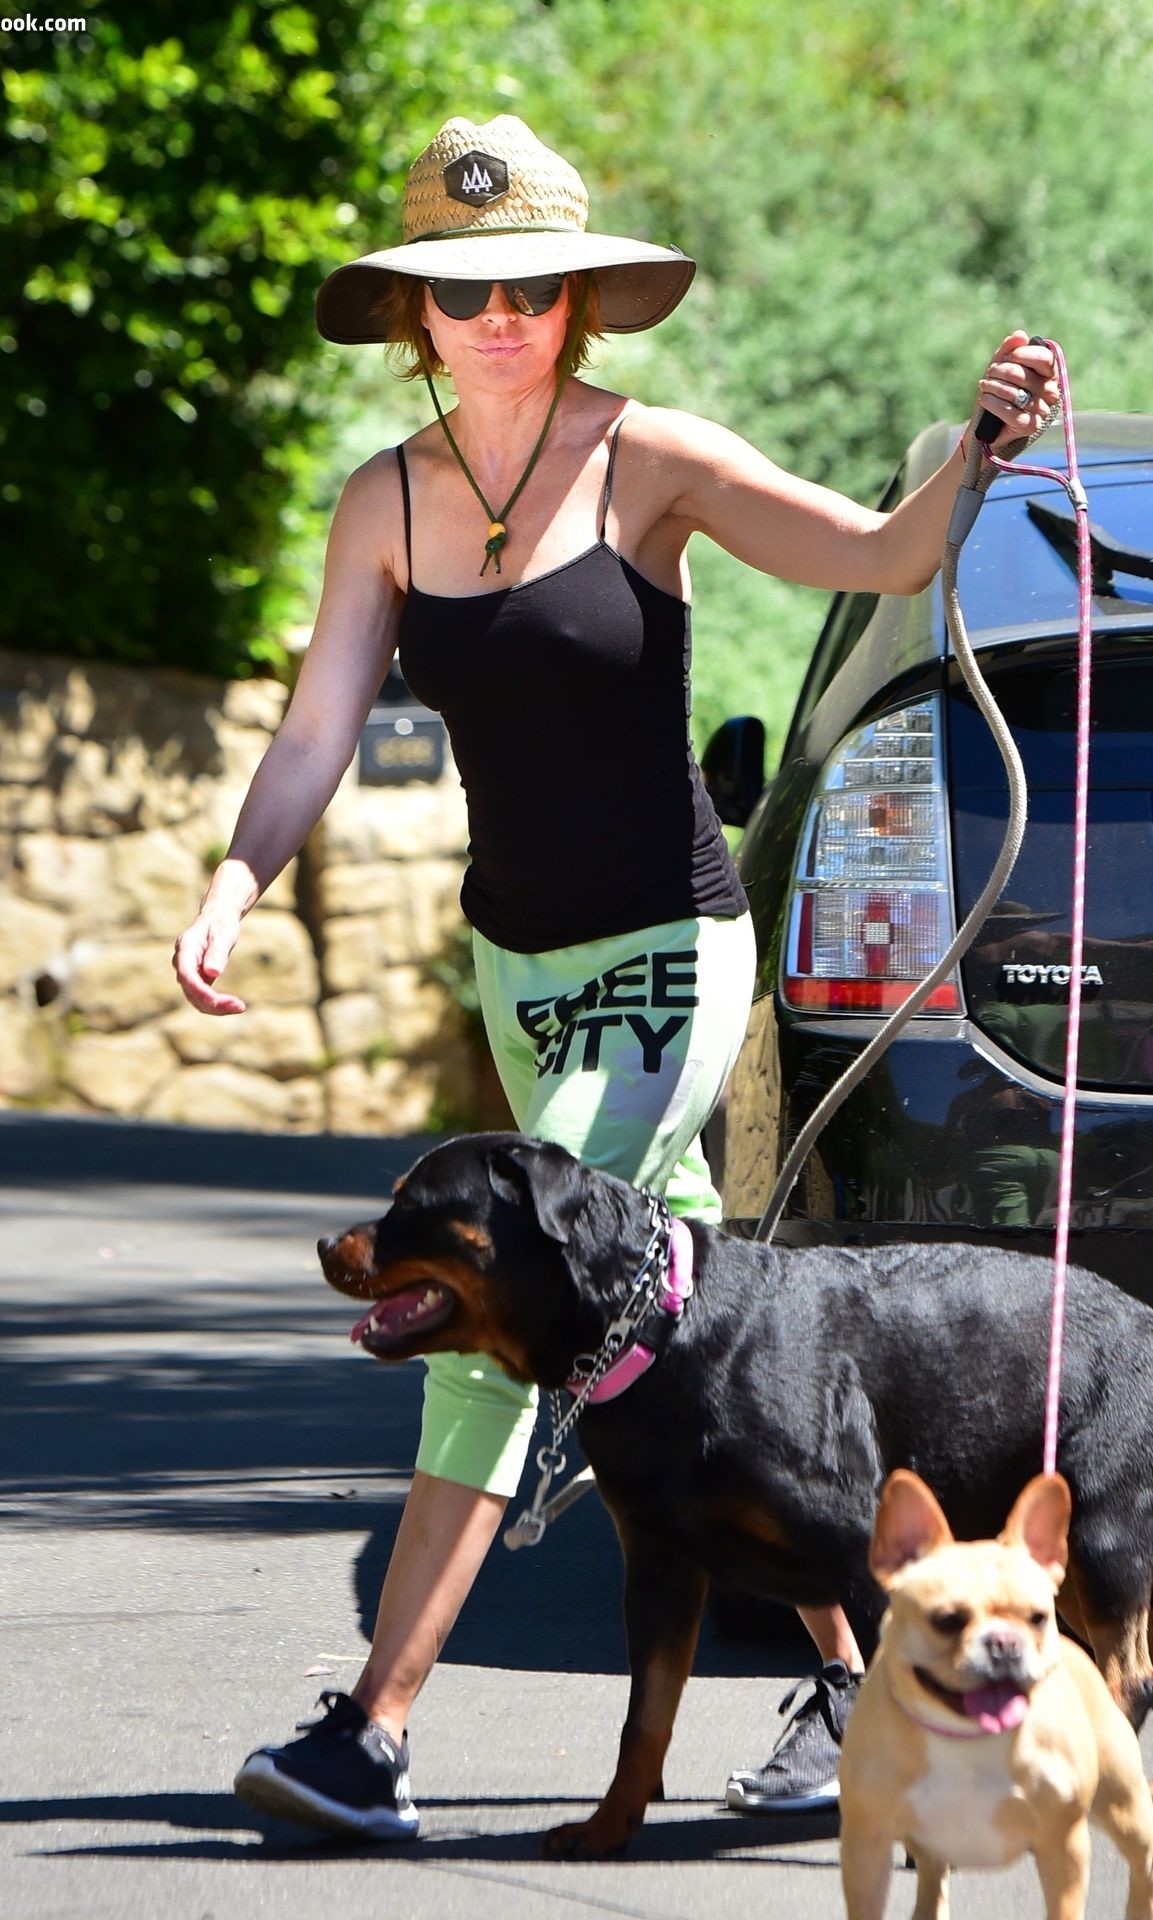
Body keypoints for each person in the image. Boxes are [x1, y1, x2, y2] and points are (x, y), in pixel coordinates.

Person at [171, 114, 1059, 1832]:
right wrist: (233, 882)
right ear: (415, 316)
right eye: (464, 292)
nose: (500, 316)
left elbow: (880, 556)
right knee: (686, 1322)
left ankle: (374, 1733)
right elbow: (315, 730)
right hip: (519, 964)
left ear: (579, 302)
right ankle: (850, 1679)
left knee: (497, 1301)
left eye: (534, 288)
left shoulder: (650, 458)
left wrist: (977, 446)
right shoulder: (384, 500)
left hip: (667, 948)